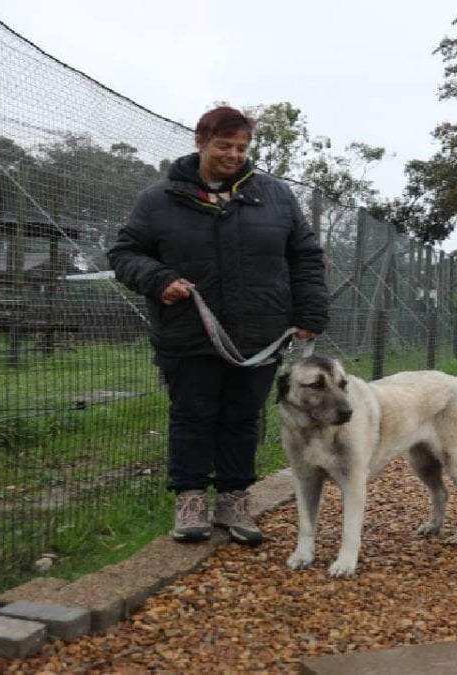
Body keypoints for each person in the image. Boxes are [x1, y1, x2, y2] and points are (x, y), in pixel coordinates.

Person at [108, 106, 329, 544]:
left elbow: (304, 256)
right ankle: (190, 500)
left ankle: (234, 498)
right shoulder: (159, 199)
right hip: (189, 331)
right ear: (200, 142)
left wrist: (310, 313)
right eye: (223, 146)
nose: (233, 155)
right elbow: (124, 253)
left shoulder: (275, 196)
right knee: (192, 415)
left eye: (242, 148)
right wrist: (159, 279)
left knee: (243, 417)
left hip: (259, 333)